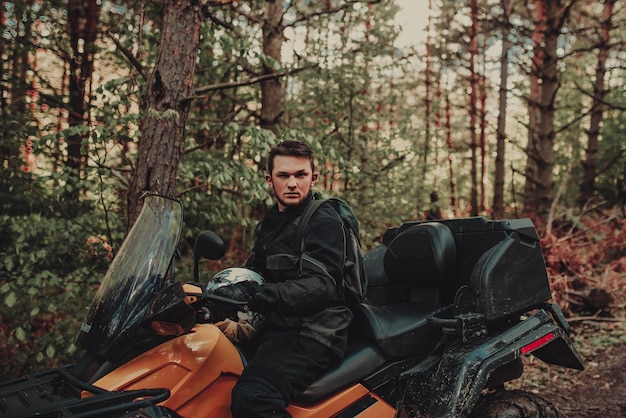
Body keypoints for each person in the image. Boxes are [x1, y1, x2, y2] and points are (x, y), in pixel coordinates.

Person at [214, 140, 353, 418]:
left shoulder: (322, 219)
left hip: (314, 331)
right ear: (269, 179)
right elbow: (255, 275)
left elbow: (322, 285)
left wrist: (263, 295)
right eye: (283, 175)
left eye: (300, 175)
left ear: (313, 178)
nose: (292, 183)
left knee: (253, 398)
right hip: (274, 326)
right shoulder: (268, 224)